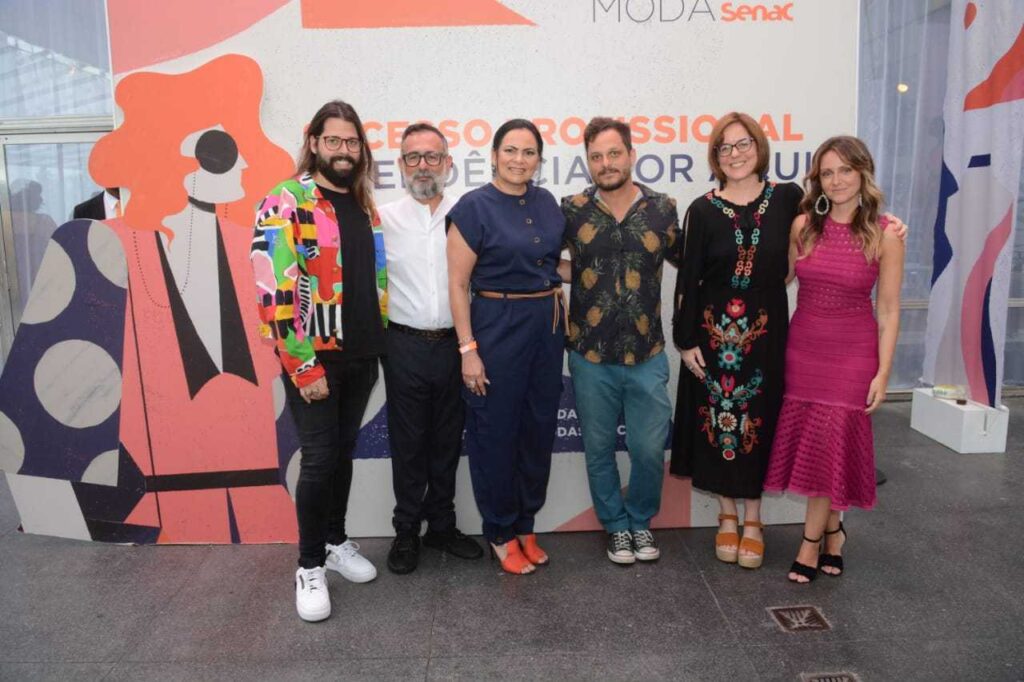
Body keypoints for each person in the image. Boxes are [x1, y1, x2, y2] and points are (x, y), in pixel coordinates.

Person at [252, 100, 386, 622]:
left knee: (343, 453)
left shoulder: (365, 204)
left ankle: (334, 541)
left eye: (352, 141)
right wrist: (302, 365)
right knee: (319, 458)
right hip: (314, 359)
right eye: (334, 141)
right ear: (313, 143)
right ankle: (309, 565)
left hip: (362, 354)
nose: (344, 150)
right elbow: (275, 288)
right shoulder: (285, 200)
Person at [763, 136, 904, 584]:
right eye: (827, 172)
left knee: (829, 442)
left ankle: (809, 543)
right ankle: (835, 534)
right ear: (818, 180)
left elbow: (889, 310)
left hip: (853, 354)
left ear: (863, 173)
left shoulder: (886, 234)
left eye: (845, 170)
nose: (837, 180)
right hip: (804, 349)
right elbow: (779, 277)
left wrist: (883, 372)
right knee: (826, 449)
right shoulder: (803, 226)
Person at [671, 112, 803, 570]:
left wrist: (886, 224)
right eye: (724, 147)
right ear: (715, 157)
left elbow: (835, 223)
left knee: (760, 418)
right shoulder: (702, 210)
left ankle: (754, 519)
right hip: (713, 334)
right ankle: (727, 513)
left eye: (743, 143)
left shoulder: (788, 198)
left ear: (759, 146)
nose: (735, 154)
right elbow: (687, 280)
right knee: (720, 418)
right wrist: (686, 339)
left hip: (765, 330)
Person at [446, 119, 565, 575]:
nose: (519, 160)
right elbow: (458, 284)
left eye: (529, 152)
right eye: (510, 150)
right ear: (494, 155)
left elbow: (550, 264)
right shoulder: (473, 207)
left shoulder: (546, 201)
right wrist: (468, 350)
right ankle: (499, 531)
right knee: (495, 434)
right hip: (496, 326)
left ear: (539, 159)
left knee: (538, 429)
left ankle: (525, 524)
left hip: (546, 328)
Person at [561, 117, 680, 565]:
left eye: (614, 153)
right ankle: (615, 526)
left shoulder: (663, 209)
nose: (606, 163)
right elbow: (541, 258)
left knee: (648, 450)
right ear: (588, 162)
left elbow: (693, 261)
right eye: (596, 156)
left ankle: (641, 520)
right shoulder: (571, 210)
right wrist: (577, 273)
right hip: (590, 355)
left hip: (647, 353)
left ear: (631, 155)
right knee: (598, 450)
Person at [378, 123, 482, 575]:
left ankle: (441, 526)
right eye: (413, 157)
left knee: (446, 441)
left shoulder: (469, 214)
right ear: (401, 165)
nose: (423, 166)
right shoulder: (381, 219)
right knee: (408, 445)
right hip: (402, 346)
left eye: (432, 156)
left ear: (448, 164)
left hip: (457, 346)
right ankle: (406, 531)